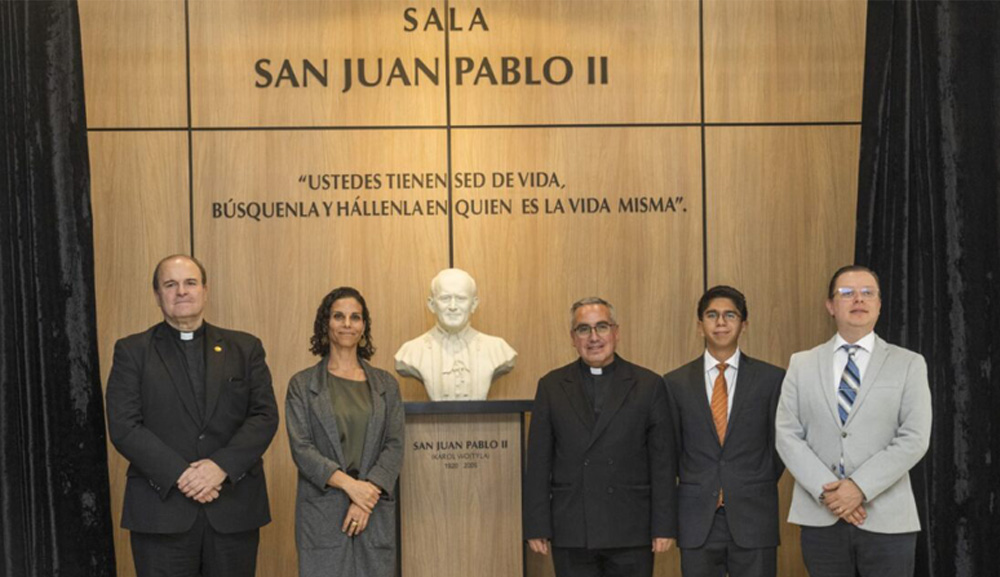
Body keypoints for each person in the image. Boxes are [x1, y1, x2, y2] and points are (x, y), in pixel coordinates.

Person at [105, 254, 278, 577]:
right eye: (170, 284)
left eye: (190, 283)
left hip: (233, 509)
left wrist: (220, 467)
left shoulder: (245, 348)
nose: (181, 291)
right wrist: (181, 474)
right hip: (161, 513)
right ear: (157, 295)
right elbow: (124, 426)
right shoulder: (132, 351)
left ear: (205, 290)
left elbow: (264, 416)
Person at [775, 265, 932, 577]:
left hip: (888, 520)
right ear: (831, 306)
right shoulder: (802, 363)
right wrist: (831, 494)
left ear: (879, 304)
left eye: (867, 293)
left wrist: (858, 488)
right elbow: (787, 435)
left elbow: (914, 438)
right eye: (847, 293)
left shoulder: (909, 364)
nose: (858, 300)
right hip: (822, 515)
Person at [523, 297, 676, 577]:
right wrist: (537, 526)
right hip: (573, 528)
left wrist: (663, 526)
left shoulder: (649, 384)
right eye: (584, 329)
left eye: (601, 327)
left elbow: (663, 463)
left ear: (616, 332)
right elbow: (538, 462)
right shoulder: (552, 386)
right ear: (573, 338)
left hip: (631, 528)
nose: (594, 337)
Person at [663, 286, 785, 577]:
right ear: (699, 325)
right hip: (697, 517)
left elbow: (780, 447)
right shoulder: (675, 383)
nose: (721, 322)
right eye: (712, 315)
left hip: (754, 514)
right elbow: (671, 450)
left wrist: (750, 481)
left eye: (730, 315)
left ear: (744, 324)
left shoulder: (772, 379)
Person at [286, 287, 405, 577]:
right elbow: (302, 449)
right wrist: (351, 487)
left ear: (364, 326)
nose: (347, 324)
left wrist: (365, 496)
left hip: (373, 508)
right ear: (326, 323)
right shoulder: (302, 385)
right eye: (339, 316)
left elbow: (394, 445)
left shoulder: (386, 385)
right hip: (323, 511)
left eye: (355, 317)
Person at [394, 268, 516, 400]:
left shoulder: (498, 349)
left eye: (461, 298)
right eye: (445, 298)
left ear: (473, 304)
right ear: (432, 304)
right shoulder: (410, 352)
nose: (453, 306)